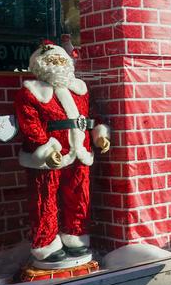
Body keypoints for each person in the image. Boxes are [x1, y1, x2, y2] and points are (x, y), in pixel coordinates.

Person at [14, 42, 110, 264]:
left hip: (80, 151)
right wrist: (45, 148)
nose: (57, 63)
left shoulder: (80, 90)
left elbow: (93, 115)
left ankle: (75, 236)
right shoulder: (30, 93)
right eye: (51, 61)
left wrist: (100, 135)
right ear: (40, 65)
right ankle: (45, 244)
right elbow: (30, 124)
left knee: (79, 197)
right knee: (45, 199)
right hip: (49, 155)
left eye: (60, 60)